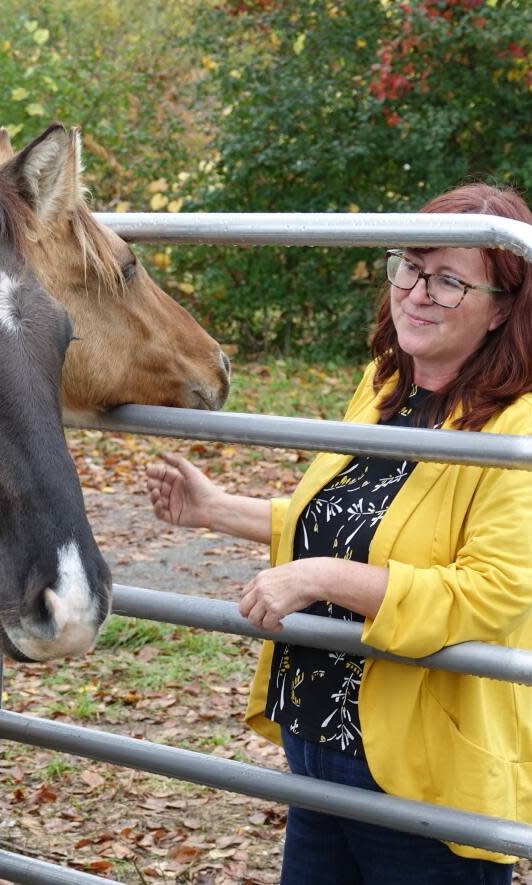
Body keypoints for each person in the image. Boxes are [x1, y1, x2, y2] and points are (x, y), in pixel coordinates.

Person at [146, 182, 532, 885]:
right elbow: (346, 526)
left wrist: (320, 579)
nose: (418, 292)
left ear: (503, 307)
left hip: (424, 775)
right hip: (320, 742)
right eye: (410, 266)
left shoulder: (517, 430)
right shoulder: (386, 386)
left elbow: (492, 594)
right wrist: (215, 508)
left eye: (449, 280)